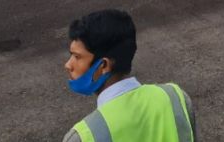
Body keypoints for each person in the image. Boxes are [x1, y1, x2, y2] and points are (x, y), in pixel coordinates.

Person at [63, 9, 196, 142]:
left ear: (103, 65)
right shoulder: (176, 98)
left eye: (77, 56)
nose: (68, 65)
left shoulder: (82, 137)